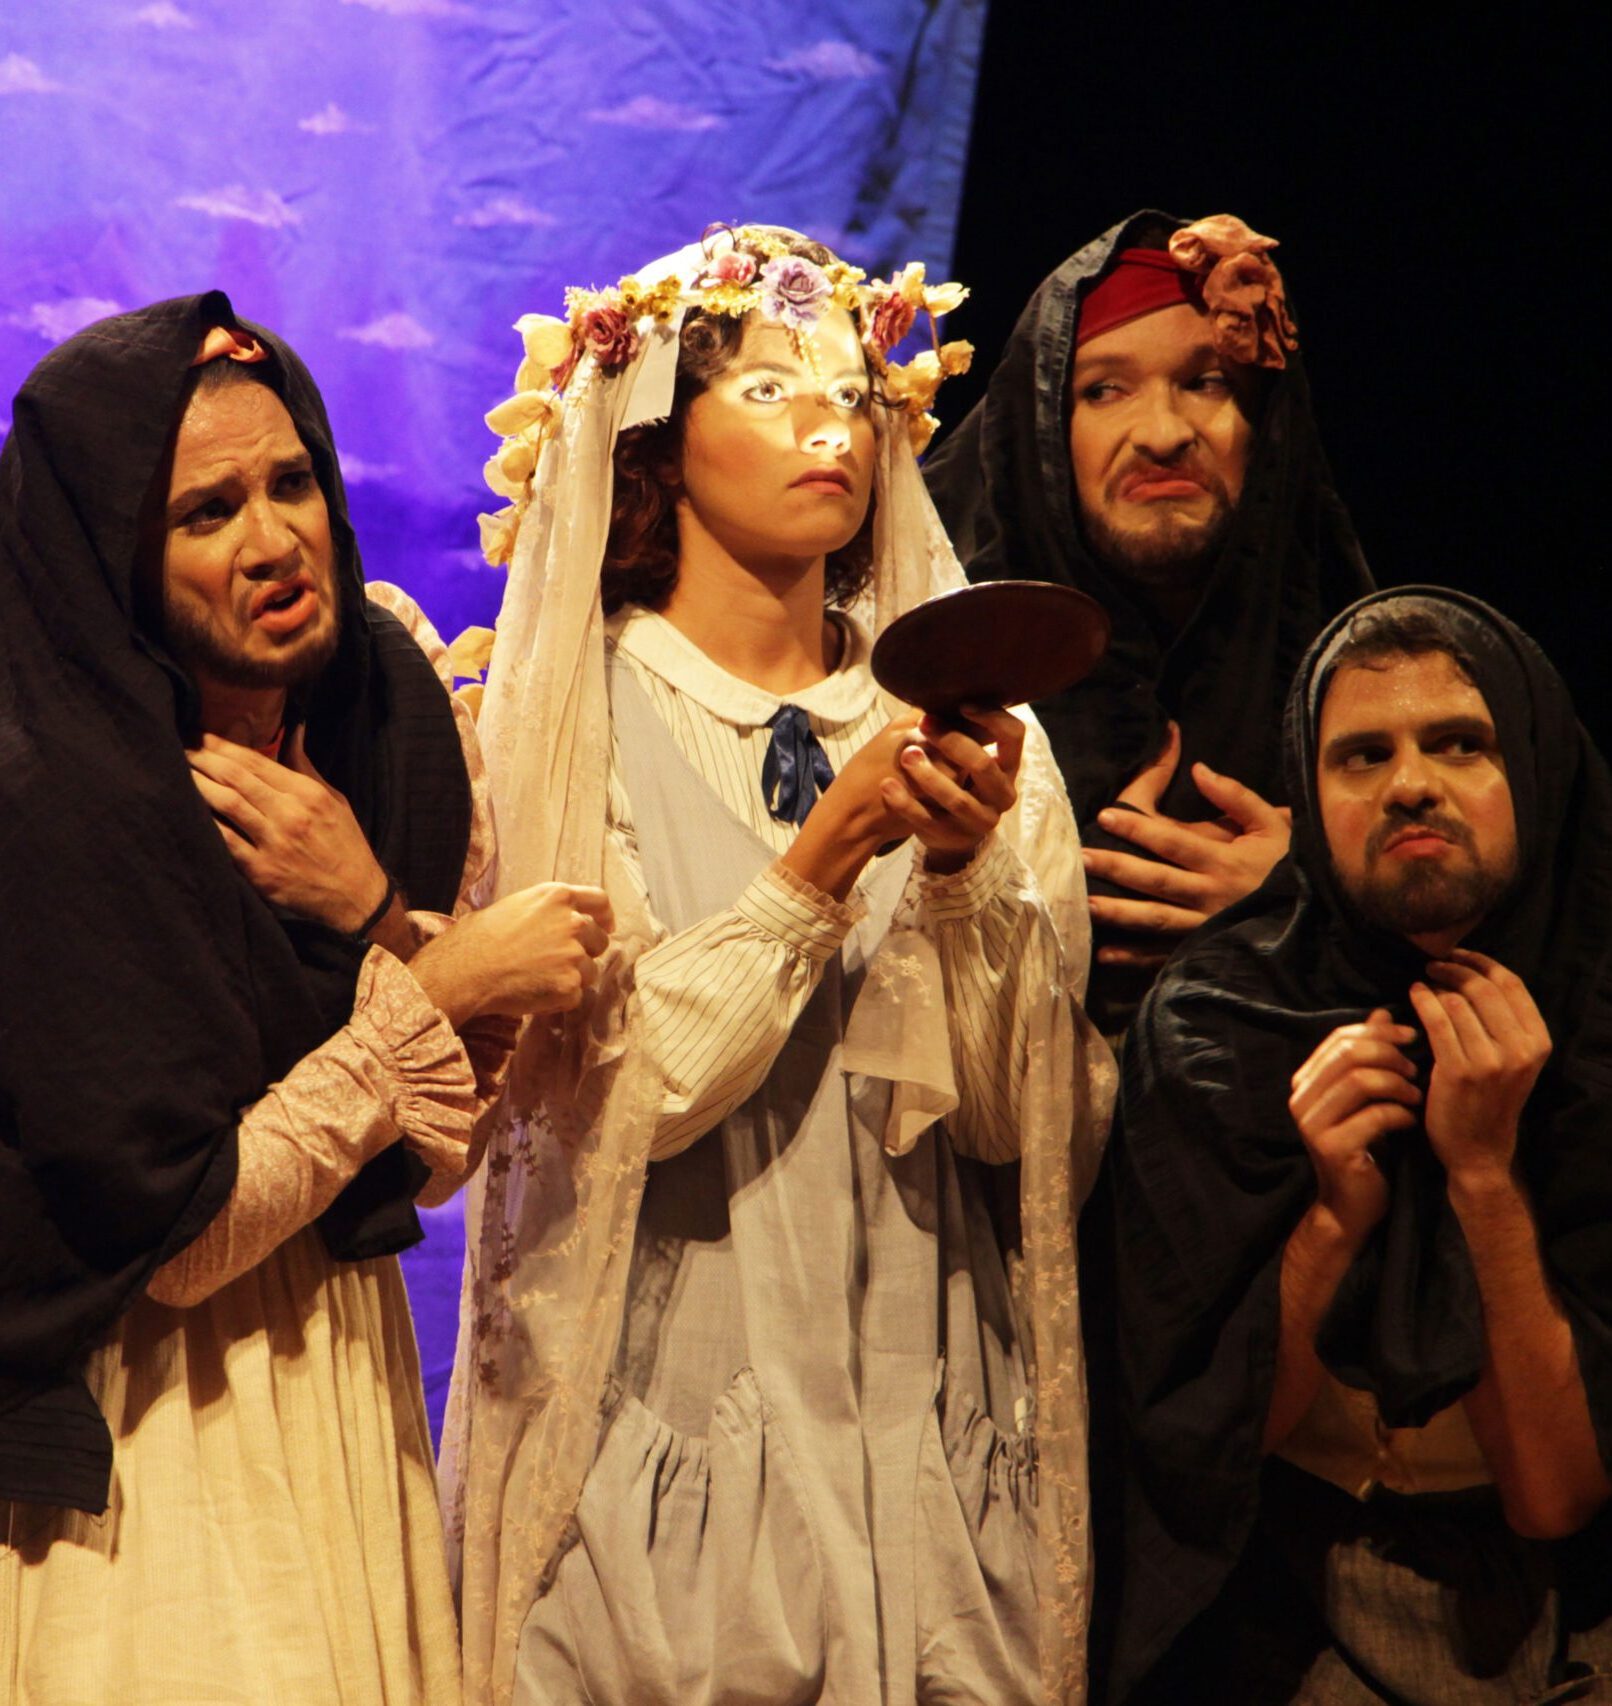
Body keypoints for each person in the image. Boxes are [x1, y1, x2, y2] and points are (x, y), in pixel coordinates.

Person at [441, 226, 1116, 1705]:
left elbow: (1023, 1127)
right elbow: (615, 1095)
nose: (830, 425)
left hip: (922, 1419)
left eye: (853, 394)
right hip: (672, 1425)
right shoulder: (575, 718)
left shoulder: (976, 727)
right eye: (765, 387)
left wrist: (958, 875)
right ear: (657, 445)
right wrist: (821, 865)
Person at [0, 295, 611, 1704]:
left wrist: (372, 910)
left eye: (291, 483)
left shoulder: (383, 725)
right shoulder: (55, 800)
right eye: (206, 512)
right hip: (146, 1432)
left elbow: (433, 1161)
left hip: (341, 1377)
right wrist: (437, 978)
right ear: (111, 558)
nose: (276, 539)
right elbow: (181, 1237)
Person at [1107, 589, 1612, 1702]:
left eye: (1460, 743)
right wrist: (1334, 1218)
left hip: (1574, 1590)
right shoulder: (1217, 1028)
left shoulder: (1595, 1022)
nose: (1410, 784)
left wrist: (1482, 1176)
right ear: (1309, 789)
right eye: (1362, 755)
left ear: (1534, 762)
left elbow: (1555, 1497)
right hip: (1288, 1597)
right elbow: (1192, 1461)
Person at [925, 210, 1373, 1032]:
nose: (1163, 435)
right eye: (1104, 390)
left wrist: (1319, 904)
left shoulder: (1372, 691)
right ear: (1041, 434)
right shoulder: (927, 691)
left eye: (1207, 383)